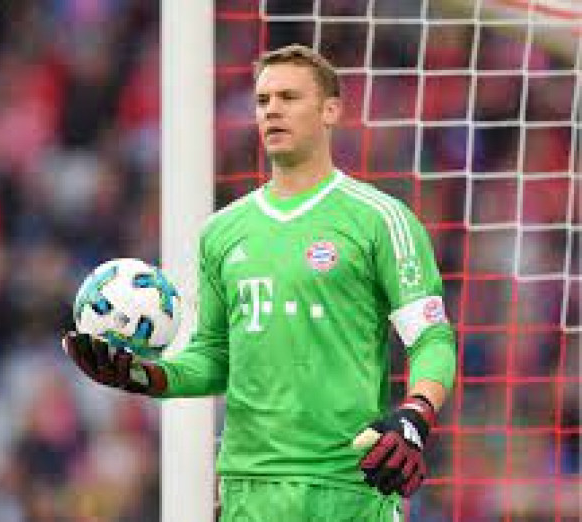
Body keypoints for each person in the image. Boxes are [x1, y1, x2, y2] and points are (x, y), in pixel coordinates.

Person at [63, 44, 456, 521]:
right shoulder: (222, 232)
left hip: (349, 487)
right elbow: (213, 357)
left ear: (330, 110)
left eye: (289, 97)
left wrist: (416, 413)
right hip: (249, 490)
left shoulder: (380, 219)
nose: (272, 110)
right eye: (263, 100)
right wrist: (142, 376)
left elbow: (431, 337)